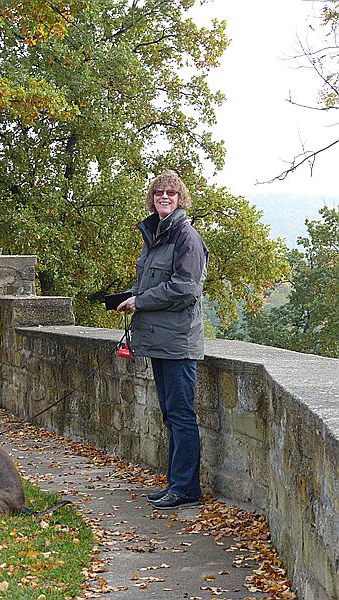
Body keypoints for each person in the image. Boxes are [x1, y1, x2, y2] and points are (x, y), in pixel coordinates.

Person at [117, 170, 208, 510]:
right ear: (152, 198)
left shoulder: (186, 237)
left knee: (182, 416)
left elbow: (185, 289)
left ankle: (185, 488)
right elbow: (155, 284)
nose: (164, 197)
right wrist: (127, 297)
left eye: (171, 192)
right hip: (159, 340)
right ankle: (175, 483)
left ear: (180, 197)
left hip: (179, 343)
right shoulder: (157, 237)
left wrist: (141, 301)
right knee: (171, 415)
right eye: (159, 193)